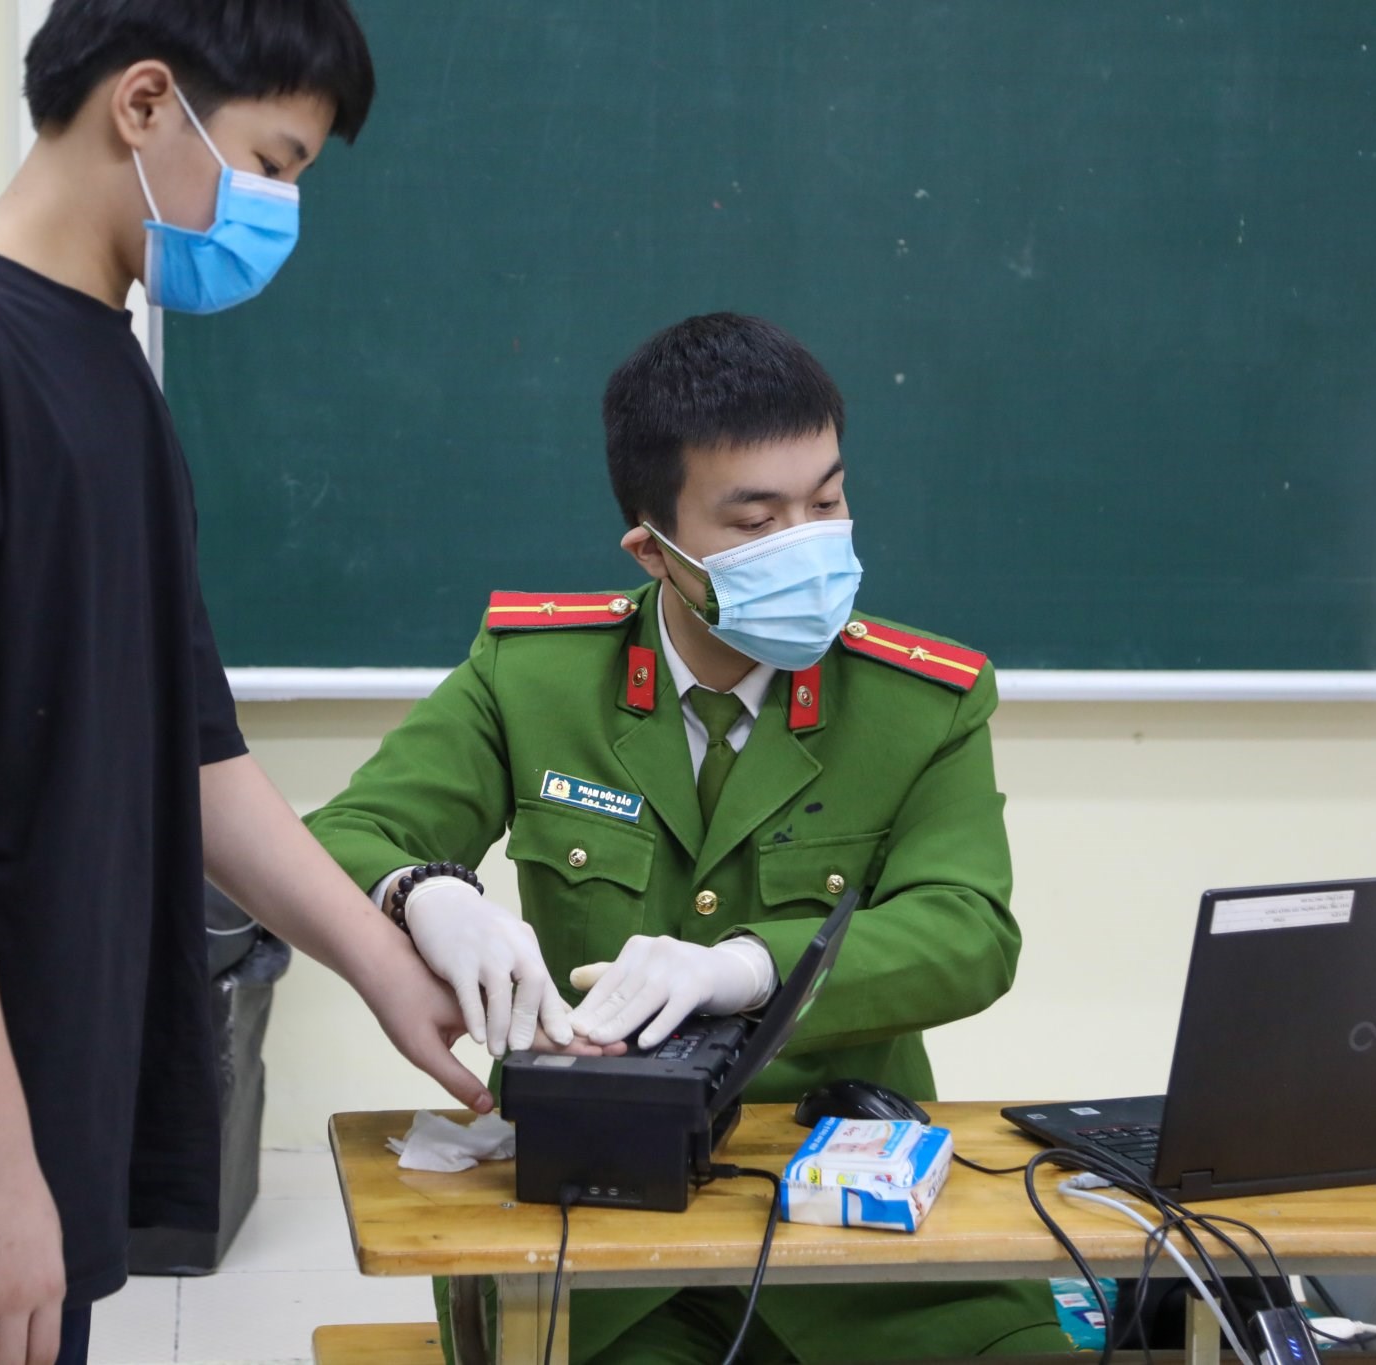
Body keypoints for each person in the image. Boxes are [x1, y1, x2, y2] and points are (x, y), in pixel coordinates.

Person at [0, 6, 491, 1365]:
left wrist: (379, 963)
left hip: (31, 1130)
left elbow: (195, 752)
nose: (278, 212)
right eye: (272, 164)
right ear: (144, 103)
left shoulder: (109, 374)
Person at [305, 313, 1069, 1362]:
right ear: (653, 550)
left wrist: (746, 966)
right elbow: (348, 832)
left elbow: (967, 929)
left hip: (856, 1221)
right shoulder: (533, 676)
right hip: (600, 1224)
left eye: (826, 503)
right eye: (756, 520)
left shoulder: (922, 701)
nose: (806, 543)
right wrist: (422, 892)